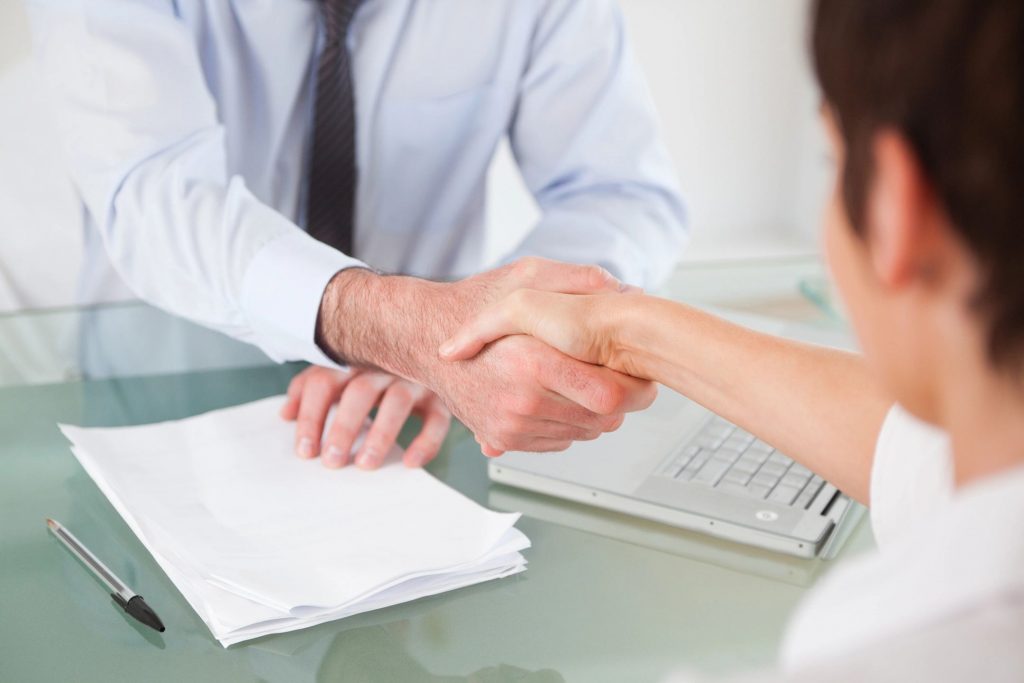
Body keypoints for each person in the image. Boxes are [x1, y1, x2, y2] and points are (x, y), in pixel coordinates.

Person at [440, 0, 1024, 679]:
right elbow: (919, 452)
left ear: (895, 207)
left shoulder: (874, 653)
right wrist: (621, 329)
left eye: (831, 161)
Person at [26, 0, 685, 470]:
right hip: (165, 392)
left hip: (412, 414)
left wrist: (483, 336)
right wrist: (402, 329)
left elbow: (620, 194)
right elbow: (153, 195)